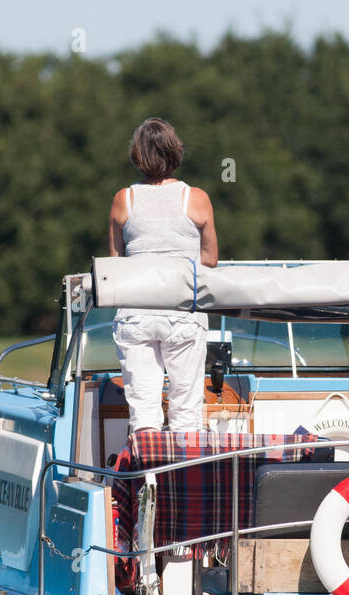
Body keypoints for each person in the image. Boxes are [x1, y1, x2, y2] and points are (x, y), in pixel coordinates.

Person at [108, 117, 218, 433]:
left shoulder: (123, 199)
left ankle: (146, 479)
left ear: (137, 155)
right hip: (182, 312)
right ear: (175, 152)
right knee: (186, 414)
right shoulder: (196, 198)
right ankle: (182, 480)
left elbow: (116, 262)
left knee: (143, 414)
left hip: (136, 313)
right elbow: (209, 259)